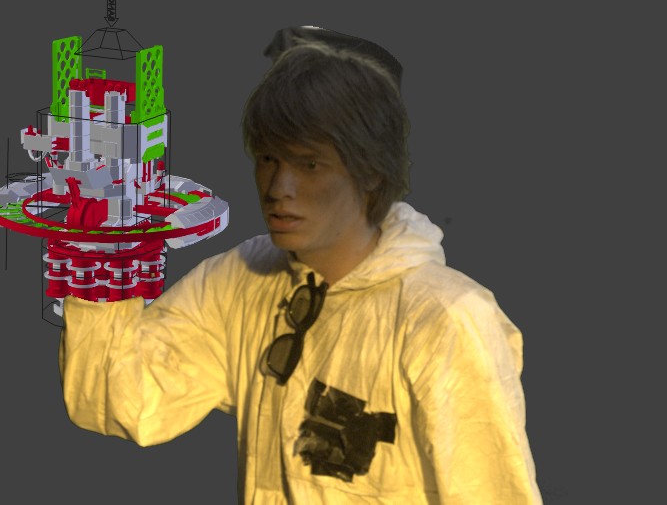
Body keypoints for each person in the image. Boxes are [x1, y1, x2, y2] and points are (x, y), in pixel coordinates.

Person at [58, 26, 542, 504]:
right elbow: (123, 400)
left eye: (309, 164)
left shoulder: (447, 319)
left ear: (372, 173)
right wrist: (100, 247)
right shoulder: (239, 280)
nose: (278, 188)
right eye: (268, 159)